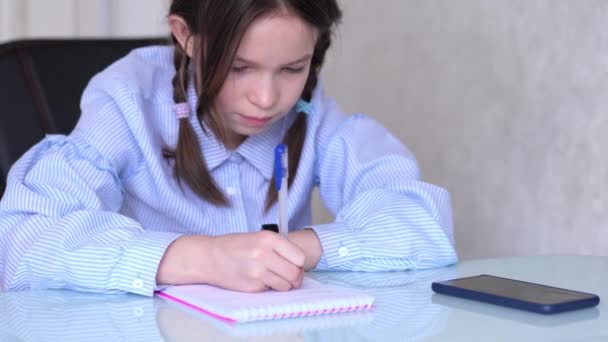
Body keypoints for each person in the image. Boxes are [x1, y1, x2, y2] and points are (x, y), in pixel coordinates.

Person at [0, 0, 457, 296]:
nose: (266, 98)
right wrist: (202, 257)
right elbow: (22, 241)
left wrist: (290, 249)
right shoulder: (129, 100)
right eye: (239, 67)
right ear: (185, 35)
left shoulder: (314, 117)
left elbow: (423, 223)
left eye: (292, 68)